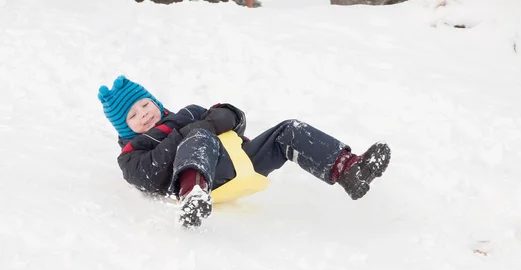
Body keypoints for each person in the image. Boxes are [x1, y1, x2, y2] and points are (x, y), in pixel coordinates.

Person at [98, 76, 391, 227]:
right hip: (199, 180)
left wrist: (218, 119)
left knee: (288, 130)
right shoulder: (131, 152)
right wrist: (187, 134)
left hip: (238, 162)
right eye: (133, 115)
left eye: (145, 105)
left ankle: (349, 170)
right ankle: (194, 196)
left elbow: (233, 117)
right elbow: (146, 176)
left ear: (155, 101)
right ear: (124, 128)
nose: (144, 114)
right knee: (198, 136)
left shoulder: (188, 112)